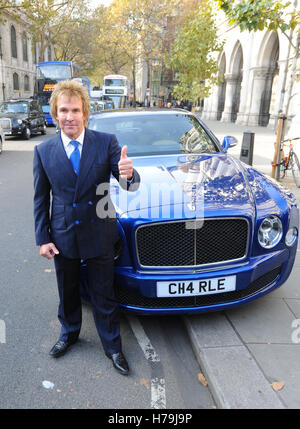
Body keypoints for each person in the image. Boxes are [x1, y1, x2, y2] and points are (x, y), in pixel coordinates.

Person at [33, 80, 140, 375]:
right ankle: (69, 334)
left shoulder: (106, 143)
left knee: (103, 293)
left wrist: (129, 174)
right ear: (55, 114)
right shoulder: (44, 151)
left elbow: (128, 184)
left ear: (85, 113)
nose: (70, 116)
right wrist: (43, 238)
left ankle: (113, 347)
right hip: (63, 234)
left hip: (99, 232)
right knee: (67, 291)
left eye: (75, 110)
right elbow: (41, 199)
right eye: (64, 110)